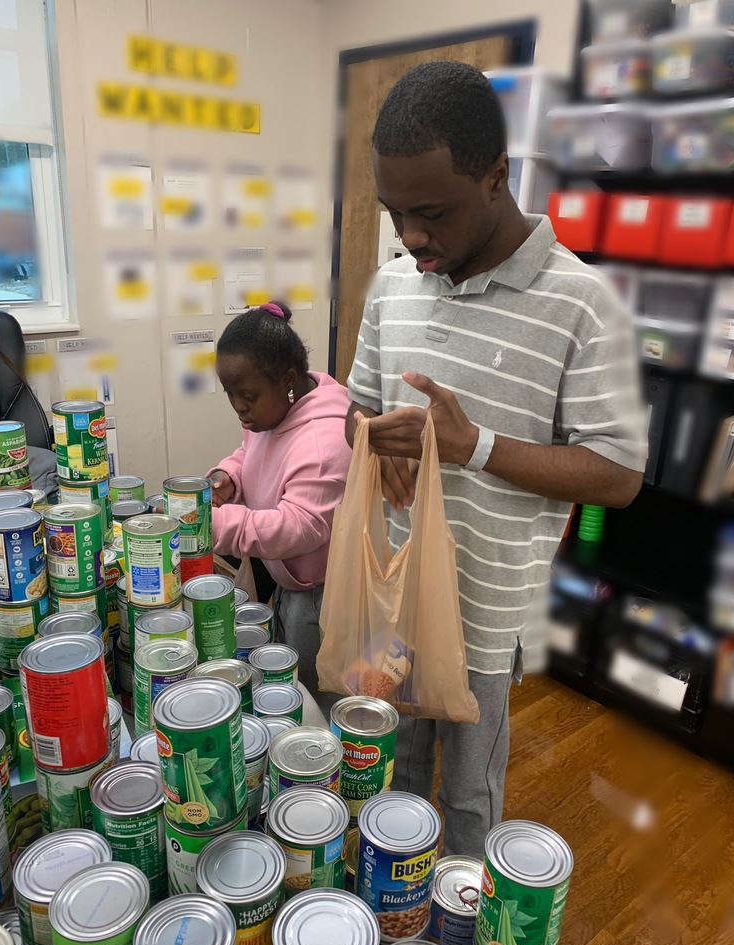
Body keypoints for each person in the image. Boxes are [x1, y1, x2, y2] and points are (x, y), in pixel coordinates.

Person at [345, 62, 647, 857]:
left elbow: (617, 475)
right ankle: (390, 931)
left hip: (485, 614)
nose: (410, 237)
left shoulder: (583, 304)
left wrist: (473, 446)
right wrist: (376, 441)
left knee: (469, 801)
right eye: (394, 213)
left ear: (495, 178)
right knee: (389, 775)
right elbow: (355, 410)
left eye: (431, 212)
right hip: (392, 594)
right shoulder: (392, 287)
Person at [209, 301, 351, 710]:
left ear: (288, 379)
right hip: (286, 580)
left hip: (322, 596)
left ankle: (320, 770)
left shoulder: (325, 443)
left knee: (314, 697)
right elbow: (251, 452)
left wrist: (218, 527)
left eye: (247, 396)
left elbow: (300, 527)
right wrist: (229, 477)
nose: (238, 406)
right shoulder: (272, 410)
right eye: (230, 394)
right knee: (289, 683)